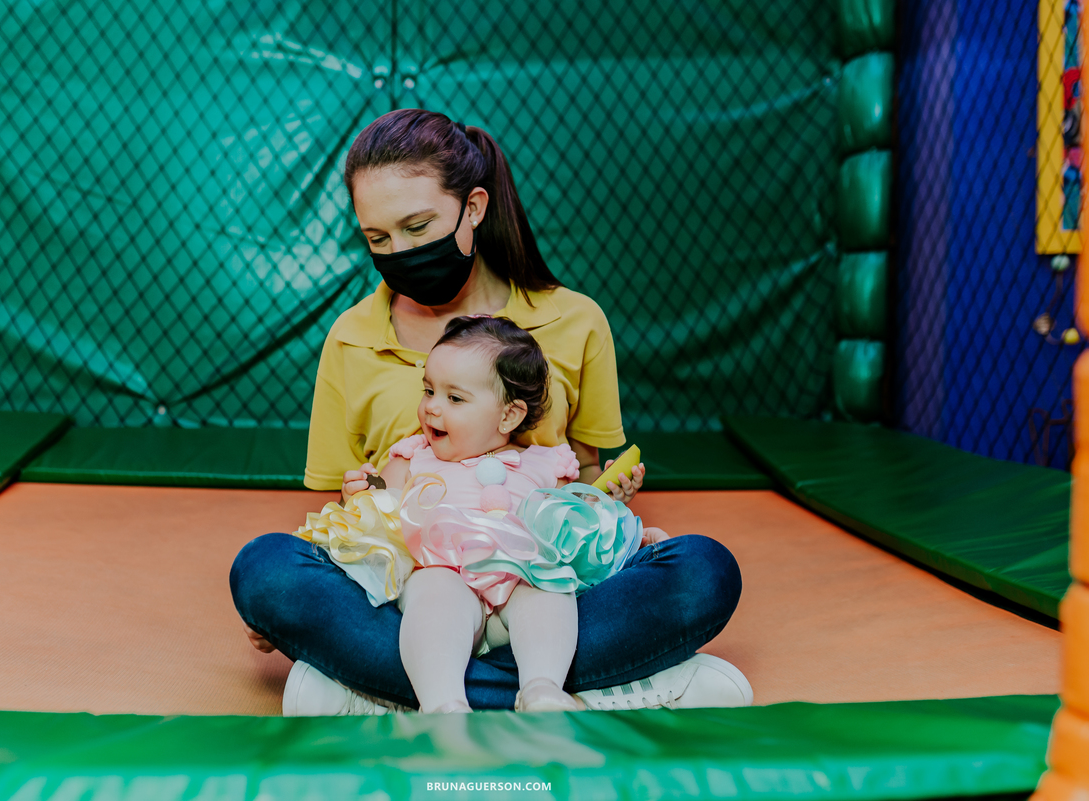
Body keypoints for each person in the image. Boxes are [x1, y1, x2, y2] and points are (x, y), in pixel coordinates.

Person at [230, 108, 750, 714]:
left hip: (543, 585)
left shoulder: (576, 321)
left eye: (418, 226)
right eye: (377, 239)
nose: (399, 252)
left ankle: (383, 693)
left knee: (703, 570)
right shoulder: (351, 338)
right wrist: (289, 604)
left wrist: (612, 518)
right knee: (266, 569)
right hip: (416, 592)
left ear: (473, 208)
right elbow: (339, 511)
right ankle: (608, 690)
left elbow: (578, 485)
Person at [298, 315, 651, 713]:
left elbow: (573, 526)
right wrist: (359, 496)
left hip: (515, 604)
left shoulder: (545, 465)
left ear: (509, 416)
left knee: (550, 582)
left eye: (454, 398)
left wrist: (610, 504)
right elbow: (374, 518)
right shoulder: (412, 459)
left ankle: (542, 687)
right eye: (429, 390)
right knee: (435, 589)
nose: (431, 408)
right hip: (444, 595)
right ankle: (444, 704)